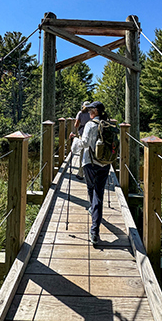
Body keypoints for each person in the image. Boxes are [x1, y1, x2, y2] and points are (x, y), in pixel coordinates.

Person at [70, 101, 110, 245]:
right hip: (105, 164)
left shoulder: (90, 125)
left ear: (95, 112)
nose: (88, 112)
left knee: (91, 190)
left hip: (90, 163)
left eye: (90, 110)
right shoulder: (109, 124)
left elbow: (85, 143)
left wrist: (75, 140)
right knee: (99, 193)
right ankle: (94, 228)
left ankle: (94, 228)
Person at [74, 101, 91, 180]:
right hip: (91, 134)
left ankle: (80, 173)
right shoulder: (92, 113)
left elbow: (76, 125)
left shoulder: (80, 113)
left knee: (82, 153)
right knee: (90, 153)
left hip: (82, 134)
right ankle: (89, 173)